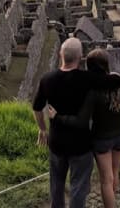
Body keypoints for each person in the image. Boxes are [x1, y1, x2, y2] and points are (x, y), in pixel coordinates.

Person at [47, 49, 120, 208]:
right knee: (114, 173)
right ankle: (113, 199)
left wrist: (58, 117)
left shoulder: (91, 90)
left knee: (106, 179)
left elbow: (81, 121)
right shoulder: (118, 84)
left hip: (103, 138)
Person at [33, 38, 97, 208]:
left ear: (61, 54)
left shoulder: (47, 79)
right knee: (79, 188)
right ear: (80, 57)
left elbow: (37, 108)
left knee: (56, 184)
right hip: (81, 144)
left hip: (57, 142)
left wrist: (42, 129)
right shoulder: (88, 80)